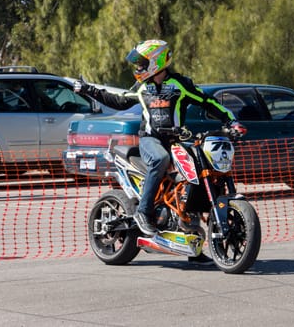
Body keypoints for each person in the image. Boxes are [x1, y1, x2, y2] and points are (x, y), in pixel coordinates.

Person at [75, 39, 245, 264]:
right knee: (160, 158)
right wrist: (88, 90)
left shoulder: (180, 84)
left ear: (157, 61)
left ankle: (192, 241)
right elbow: (117, 100)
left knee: (192, 180)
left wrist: (230, 121)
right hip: (150, 141)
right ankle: (144, 213)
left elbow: (207, 101)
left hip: (176, 141)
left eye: (141, 62)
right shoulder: (142, 88)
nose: (137, 67)